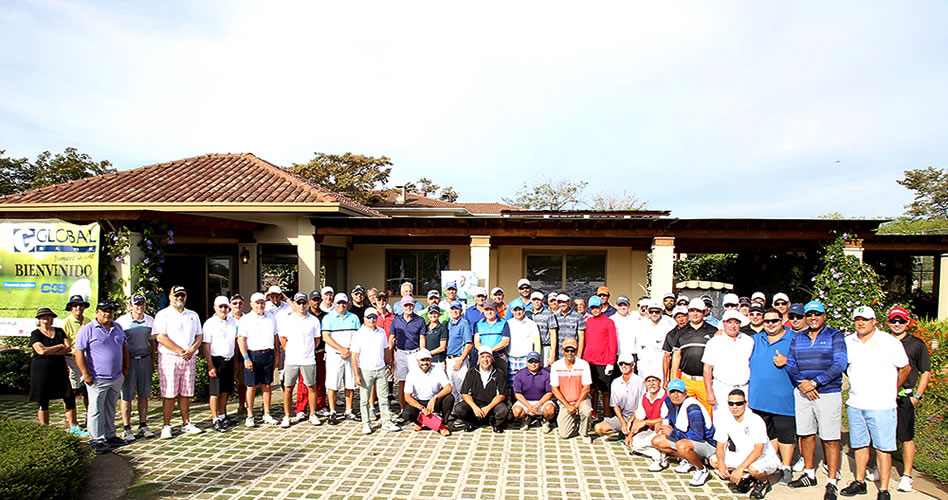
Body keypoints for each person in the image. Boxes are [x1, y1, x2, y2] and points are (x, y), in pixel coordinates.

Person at [838, 307, 909, 500]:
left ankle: (884, 489)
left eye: (865, 319)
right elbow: (845, 368)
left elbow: (905, 367)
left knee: (883, 448)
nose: (861, 323)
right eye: (857, 319)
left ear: (874, 321)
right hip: (856, 403)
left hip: (882, 405)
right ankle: (860, 482)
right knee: (860, 445)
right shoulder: (847, 342)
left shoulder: (889, 341)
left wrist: (892, 389)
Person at [786, 301, 847, 499]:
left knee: (829, 438)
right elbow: (792, 362)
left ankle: (831, 481)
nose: (813, 317)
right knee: (806, 434)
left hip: (827, 393)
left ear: (824, 316)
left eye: (817, 314)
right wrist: (802, 383)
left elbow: (839, 363)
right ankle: (809, 473)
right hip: (803, 391)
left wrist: (815, 382)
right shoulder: (798, 337)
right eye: (809, 314)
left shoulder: (834, 335)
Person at [748, 307, 798, 484]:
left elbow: (805, 361)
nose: (770, 324)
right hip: (758, 399)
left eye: (774, 321)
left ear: (782, 320)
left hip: (783, 398)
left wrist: (788, 361)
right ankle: (768, 464)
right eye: (766, 321)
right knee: (765, 435)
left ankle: (786, 467)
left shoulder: (793, 338)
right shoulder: (755, 339)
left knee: (785, 435)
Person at [74, 301, 129, 454]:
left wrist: (126, 368)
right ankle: (96, 439)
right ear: (97, 312)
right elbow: (79, 352)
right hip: (97, 378)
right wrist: (86, 374)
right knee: (96, 410)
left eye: (110, 311)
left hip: (116, 376)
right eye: (104, 311)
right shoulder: (88, 329)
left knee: (110, 408)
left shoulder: (117, 327)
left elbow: (124, 347)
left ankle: (110, 435)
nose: (107, 314)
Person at [887, 306, 930, 493]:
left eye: (901, 321)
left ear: (907, 323)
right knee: (882, 435)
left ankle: (906, 475)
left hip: (905, 396)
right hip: (882, 396)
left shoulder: (916, 344)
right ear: (888, 322)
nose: (897, 324)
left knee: (906, 436)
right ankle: (881, 469)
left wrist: (917, 396)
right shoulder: (882, 341)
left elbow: (925, 371)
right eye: (894, 320)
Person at [153, 286, 204, 438]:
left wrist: (191, 350)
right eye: (176, 295)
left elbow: (199, 336)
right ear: (170, 297)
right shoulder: (163, 315)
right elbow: (160, 337)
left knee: (186, 393)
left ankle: (186, 423)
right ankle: (167, 425)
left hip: (189, 358)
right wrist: (180, 351)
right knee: (169, 394)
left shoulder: (192, 315)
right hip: (170, 358)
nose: (179, 298)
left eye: (182, 295)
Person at [709, 389, 780, 499]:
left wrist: (740, 468)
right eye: (731, 403)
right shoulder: (725, 419)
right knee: (714, 461)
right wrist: (722, 463)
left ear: (746, 404)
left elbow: (758, 450)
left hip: (763, 457)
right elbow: (720, 445)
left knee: (754, 469)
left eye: (739, 403)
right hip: (742, 455)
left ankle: (763, 482)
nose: (735, 407)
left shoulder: (755, 420)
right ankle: (748, 477)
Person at [650, 378, 716, 487]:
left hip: (707, 444)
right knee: (657, 441)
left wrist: (672, 433)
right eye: (672, 392)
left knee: (682, 445)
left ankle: (701, 469)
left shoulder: (693, 408)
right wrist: (663, 423)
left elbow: (697, 435)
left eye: (679, 392)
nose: (676, 395)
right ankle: (689, 459)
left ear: (685, 393)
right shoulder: (669, 402)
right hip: (686, 439)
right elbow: (669, 417)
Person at [30, 306, 85, 435]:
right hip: (41, 371)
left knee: (68, 396)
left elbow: (67, 348)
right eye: (43, 317)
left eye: (48, 317)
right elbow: (40, 350)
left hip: (59, 369)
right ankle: (45, 429)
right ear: (39, 319)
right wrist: (58, 347)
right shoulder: (36, 334)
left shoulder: (59, 331)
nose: (46, 319)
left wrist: (51, 350)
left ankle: (73, 426)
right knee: (43, 400)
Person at [351, 307, 400, 434]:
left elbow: (386, 350)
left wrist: (389, 365)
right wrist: (356, 374)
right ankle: (366, 423)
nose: (372, 320)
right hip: (365, 370)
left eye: (374, 317)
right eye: (369, 317)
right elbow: (354, 356)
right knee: (365, 399)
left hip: (380, 369)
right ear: (364, 319)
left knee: (383, 398)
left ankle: (386, 421)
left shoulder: (382, 332)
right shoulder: (358, 334)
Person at [278, 292, 322, 428]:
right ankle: (287, 416)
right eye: (299, 303)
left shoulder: (313, 320)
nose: (302, 305)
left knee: (311, 387)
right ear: (295, 304)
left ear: (307, 303)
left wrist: (308, 350)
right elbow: (283, 339)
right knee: (289, 388)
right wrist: (290, 351)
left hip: (309, 359)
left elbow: (317, 340)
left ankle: (313, 414)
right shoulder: (288, 319)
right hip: (291, 359)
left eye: (304, 303)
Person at [115, 292, 156, 440]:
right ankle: (126, 427)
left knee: (144, 395)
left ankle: (143, 425)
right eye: (137, 304)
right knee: (127, 395)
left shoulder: (150, 320)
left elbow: (152, 342)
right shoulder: (122, 321)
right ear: (131, 305)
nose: (140, 306)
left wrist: (152, 361)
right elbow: (118, 344)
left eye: (142, 303)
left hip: (144, 360)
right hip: (129, 361)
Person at [237, 292, 281, 427]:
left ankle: (267, 413)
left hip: (268, 354)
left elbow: (275, 336)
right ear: (251, 304)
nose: (260, 305)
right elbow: (241, 339)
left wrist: (277, 353)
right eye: (257, 303)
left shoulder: (271, 317)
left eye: (262, 302)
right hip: (252, 355)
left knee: (267, 385)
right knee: (251, 387)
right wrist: (246, 357)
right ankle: (250, 415)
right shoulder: (246, 319)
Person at [702, 310, 754, 423]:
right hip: (722, 388)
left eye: (736, 322)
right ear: (724, 324)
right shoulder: (714, 342)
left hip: (743, 387)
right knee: (721, 422)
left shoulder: (749, 341)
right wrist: (709, 392)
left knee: (744, 421)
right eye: (729, 322)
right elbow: (707, 369)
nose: (733, 325)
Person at [670, 298, 718, 412]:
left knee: (707, 414)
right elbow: (676, 356)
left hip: (705, 381)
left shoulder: (713, 331)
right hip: (686, 380)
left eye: (698, 311)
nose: (695, 314)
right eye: (692, 310)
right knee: (685, 413)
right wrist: (674, 380)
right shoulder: (681, 332)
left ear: (704, 312)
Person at [322, 292, 361, 424]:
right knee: (333, 384)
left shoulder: (354, 317)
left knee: (350, 384)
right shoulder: (328, 318)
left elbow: (357, 336)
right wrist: (341, 349)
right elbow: (326, 337)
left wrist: (349, 350)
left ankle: (348, 410)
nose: (341, 305)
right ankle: (333, 411)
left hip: (350, 355)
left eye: (344, 303)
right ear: (334, 304)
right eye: (339, 303)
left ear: (348, 304)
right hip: (335, 355)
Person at [201, 296, 238, 432]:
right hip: (216, 360)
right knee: (215, 392)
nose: (223, 309)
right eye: (220, 307)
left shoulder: (232, 321)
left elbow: (234, 342)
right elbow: (206, 346)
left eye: (225, 307)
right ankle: (215, 418)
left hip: (229, 359)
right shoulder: (209, 323)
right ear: (215, 308)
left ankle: (223, 415)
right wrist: (210, 365)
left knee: (225, 390)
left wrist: (234, 361)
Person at [550, 338, 593, 442]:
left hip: (581, 399)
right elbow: (555, 389)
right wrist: (568, 406)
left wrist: (576, 405)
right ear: (562, 351)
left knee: (587, 411)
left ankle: (584, 432)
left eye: (572, 350)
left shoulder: (583, 364)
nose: (570, 353)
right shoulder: (556, 365)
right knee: (564, 434)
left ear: (576, 350)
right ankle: (576, 423)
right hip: (565, 401)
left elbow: (586, 388)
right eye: (567, 350)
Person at [401, 349, 452, 436]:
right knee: (406, 414)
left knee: (450, 398)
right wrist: (421, 408)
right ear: (417, 361)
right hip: (419, 401)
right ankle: (419, 421)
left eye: (427, 360)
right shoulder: (412, 373)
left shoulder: (438, 369)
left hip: (435, 400)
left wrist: (434, 399)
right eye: (422, 360)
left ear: (431, 360)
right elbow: (407, 397)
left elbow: (448, 388)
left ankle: (443, 424)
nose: (425, 363)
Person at [457, 346, 509, 433]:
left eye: (488, 357)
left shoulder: (499, 373)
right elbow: (464, 393)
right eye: (482, 357)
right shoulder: (471, 372)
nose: (485, 360)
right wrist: (475, 407)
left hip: (492, 404)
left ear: (492, 359)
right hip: (476, 403)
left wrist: (488, 408)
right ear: (478, 359)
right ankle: (471, 423)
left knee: (503, 410)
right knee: (459, 408)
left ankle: (496, 424)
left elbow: (501, 395)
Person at [625, 371, 668, 471]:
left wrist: (646, 422)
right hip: (651, 431)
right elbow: (639, 418)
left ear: (659, 382)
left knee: (653, 438)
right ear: (644, 383)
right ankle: (660, 455)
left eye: (654, 381)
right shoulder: (645, 397)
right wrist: (630, 435)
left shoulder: (665, 397)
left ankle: (658, 460)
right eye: (648, 381)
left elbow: (665, 419)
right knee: (633, 443)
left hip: (664, 430)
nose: (651, 384)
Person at [583, 295, 618, 418]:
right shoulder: (588, 322)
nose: (595, 310)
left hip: (603, 362)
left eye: (597, 307)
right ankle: (593, 414)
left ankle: (607, 416)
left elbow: (613, 343)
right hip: (589, 361)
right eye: (592, 308)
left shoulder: (609, 322)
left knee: (605, 391)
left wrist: (611, 362)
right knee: (592, 390)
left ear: (602, 307)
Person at [594, 353, 643, 438]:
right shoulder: (615, 382)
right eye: (621, 364)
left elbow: (641, 406)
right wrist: (623, 422)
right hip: (623, 416)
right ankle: (622, 431)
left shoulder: (640, 382)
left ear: (632, 365)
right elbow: (615, 406)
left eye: (627, 364)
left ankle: (630, 433)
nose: (624, 366)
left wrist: (631, 421)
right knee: (598, 428)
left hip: (637, 417)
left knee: (635, 437)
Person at [392, 294, 426, 410]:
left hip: (414, 353)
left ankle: (416, 408)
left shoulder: (420, 320)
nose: (408, 307)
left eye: (410, 305)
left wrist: (422, 355)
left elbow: (422, 338)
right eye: (406, 305)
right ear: (402, 306)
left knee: (416, 381)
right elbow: (392, 338)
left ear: (414, 306)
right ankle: (403, 409)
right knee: (402, 382)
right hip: (400, 353)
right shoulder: (396, 320)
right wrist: (390, 356)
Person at [511, 351, 556, 432]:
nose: (533, 364)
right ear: (526, 362)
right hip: (526, 402)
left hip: (542, 402)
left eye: (536, 361)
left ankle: (545, 421)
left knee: (550, 409)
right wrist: (528, 406)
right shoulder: (519, 374)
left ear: (540, 362)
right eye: (530, 361)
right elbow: (518, 394)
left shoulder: (546, 374)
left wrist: (538, 405)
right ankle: (526, 419)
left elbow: (549, 393)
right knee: (516, 411)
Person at [63, 294, 91, 423]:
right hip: (72, 358)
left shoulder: (88, 321)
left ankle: (89, 418)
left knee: (88, 389)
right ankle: (71, 420)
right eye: (75, 305)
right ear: (70, 308)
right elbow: (64, 345)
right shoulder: (65, 323)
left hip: (87, 358)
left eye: (81, 305)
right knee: (71, 391)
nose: (78, 308)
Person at [445, 301, 473, 416]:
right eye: (452, 309)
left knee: (462, 387)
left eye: (457, 309)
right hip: (449, 359)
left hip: (459, 359)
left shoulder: (464, 323)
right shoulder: (449, 323)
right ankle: (454, 411)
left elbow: (469, 343)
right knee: (452, 387)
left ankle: (464, 412)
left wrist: (461, 359)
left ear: (461, 311)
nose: (454, 311)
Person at [473, 299, 511, 385]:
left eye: (491, 309)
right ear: (483, 310)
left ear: (496, 310)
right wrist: (485, 353)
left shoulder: (503, 323)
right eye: (486, 309)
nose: (489, 312)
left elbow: (505, 341)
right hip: (484, 358)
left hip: (499, 358)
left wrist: (490, 351)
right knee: (482, 383)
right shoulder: (479, 324)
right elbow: (476, 342)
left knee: (501, 384)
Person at [636, 300, 675, 379]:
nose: (654, 314)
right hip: (645, 366)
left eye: (657, 312)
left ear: (661, 312)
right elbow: (639, 346)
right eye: (651, 311)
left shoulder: (669, 325)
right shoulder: (642, 326)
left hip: (661, 365)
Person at [505, 302, 541, 386]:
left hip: (526, 359)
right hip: (511, 359)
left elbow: (536, 342)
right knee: (512, 386)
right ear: (512, 311)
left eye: (520, 309)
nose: (518, 312)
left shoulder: (531, 324)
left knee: (526, 384)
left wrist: (536, 357)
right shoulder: (508, 323)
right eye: (515, 310)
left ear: (524, 310)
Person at [229, 294, 249, 417]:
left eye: (240, 303)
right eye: (235, 303)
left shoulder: (247, 318)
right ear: (230, 305)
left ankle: (242, 405)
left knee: (243, 382)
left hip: (243, 353)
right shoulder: (226, 318)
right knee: (229, 382)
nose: (238, 305)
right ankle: (223, 410)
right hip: (229, 353)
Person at [528, 291, 558, 367]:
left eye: (538, 300)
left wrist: (552, 354)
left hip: (545, 347)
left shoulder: (549, 314)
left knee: (545, 371)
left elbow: (553, 334)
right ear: (531, 301)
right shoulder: (527, 314)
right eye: (534, 300)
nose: (536, 302)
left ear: (543, 300)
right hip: (530, 347)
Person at [662, 306, 690, 388]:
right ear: (674, 318)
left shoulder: (695, 331)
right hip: (676, 372)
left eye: (683, 316)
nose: (681, 319)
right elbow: (666, 357)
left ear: (687, 316)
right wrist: (665, 379)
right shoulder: (671, 335)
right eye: (678, 317)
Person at [555, 293, 586, 357]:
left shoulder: (578, 316)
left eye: (564, 302)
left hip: (573, 354)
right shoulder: (554, 317)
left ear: (569, 302)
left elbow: (581, 337)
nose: (562, 304)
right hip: (559, 354)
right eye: (559, 302)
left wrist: (579, 355)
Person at [423, 306, 449, 371]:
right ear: (428, 315)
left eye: (435, 313)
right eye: (431, 313)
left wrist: (428, 353)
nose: (433, 315)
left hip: (437, 361)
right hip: (426, 361)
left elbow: (442, 347)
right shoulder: (425, 328)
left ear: (439, 315)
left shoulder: (442, 329)